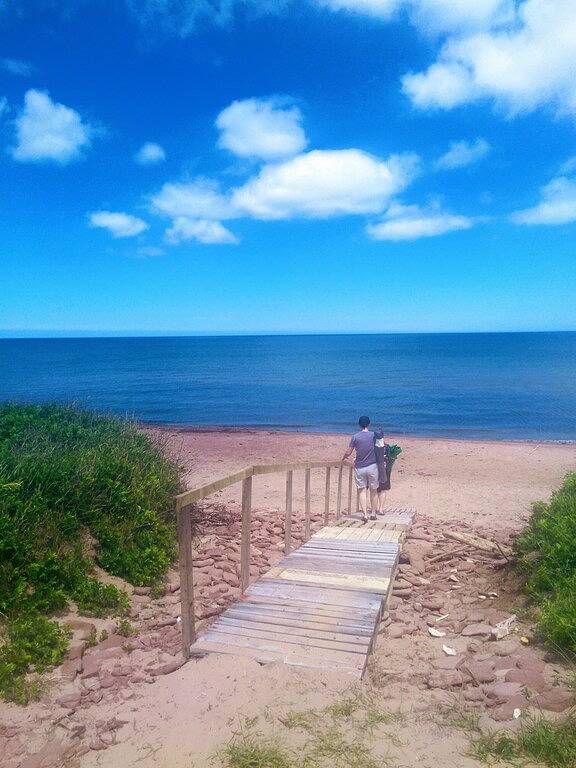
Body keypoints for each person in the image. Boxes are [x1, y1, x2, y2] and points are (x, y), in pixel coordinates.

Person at [341, 415, 378, 522]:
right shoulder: (374, 436)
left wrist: (344, 458)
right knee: (373, 491)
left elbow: (349, 451)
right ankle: (374, 513)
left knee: (362, 491)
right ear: (369, 424)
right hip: (372, 466)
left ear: (359, 425)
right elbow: (380, 448)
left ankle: (365, 515)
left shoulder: (355, 437)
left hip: (360, 467)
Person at [373, 428, 389, 514]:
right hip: (383, 469)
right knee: (383, 489)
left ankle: (374, 508)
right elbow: (389, 459)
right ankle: (381, 509)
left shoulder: (372, 447)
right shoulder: (386, 447)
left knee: (375, 489)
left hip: (373, 469)